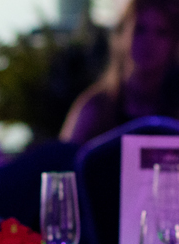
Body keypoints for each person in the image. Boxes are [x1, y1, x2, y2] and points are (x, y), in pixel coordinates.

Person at [60, 0, 179, 145]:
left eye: (161, 32)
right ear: (121, 34)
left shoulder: (175, 108)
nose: (149, 41)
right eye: (139, 29)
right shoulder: (96, 108)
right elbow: (67, 156)